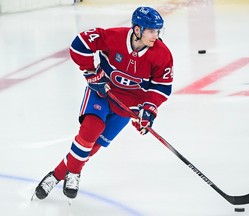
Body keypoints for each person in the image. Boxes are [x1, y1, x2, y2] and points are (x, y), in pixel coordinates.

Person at [33, 6, 173, 200]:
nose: (155, 36)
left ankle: (56, 175)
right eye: (151, 31)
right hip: (102, 94)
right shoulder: (114, 37)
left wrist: (148, 111)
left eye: (158, 31)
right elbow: (79, 44)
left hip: (127, 107)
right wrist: (91, 71)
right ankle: (73, 174)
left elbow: (162, 87)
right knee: (90, 131)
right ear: (138, 29)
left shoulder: (162, 54)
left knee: (92, 148)